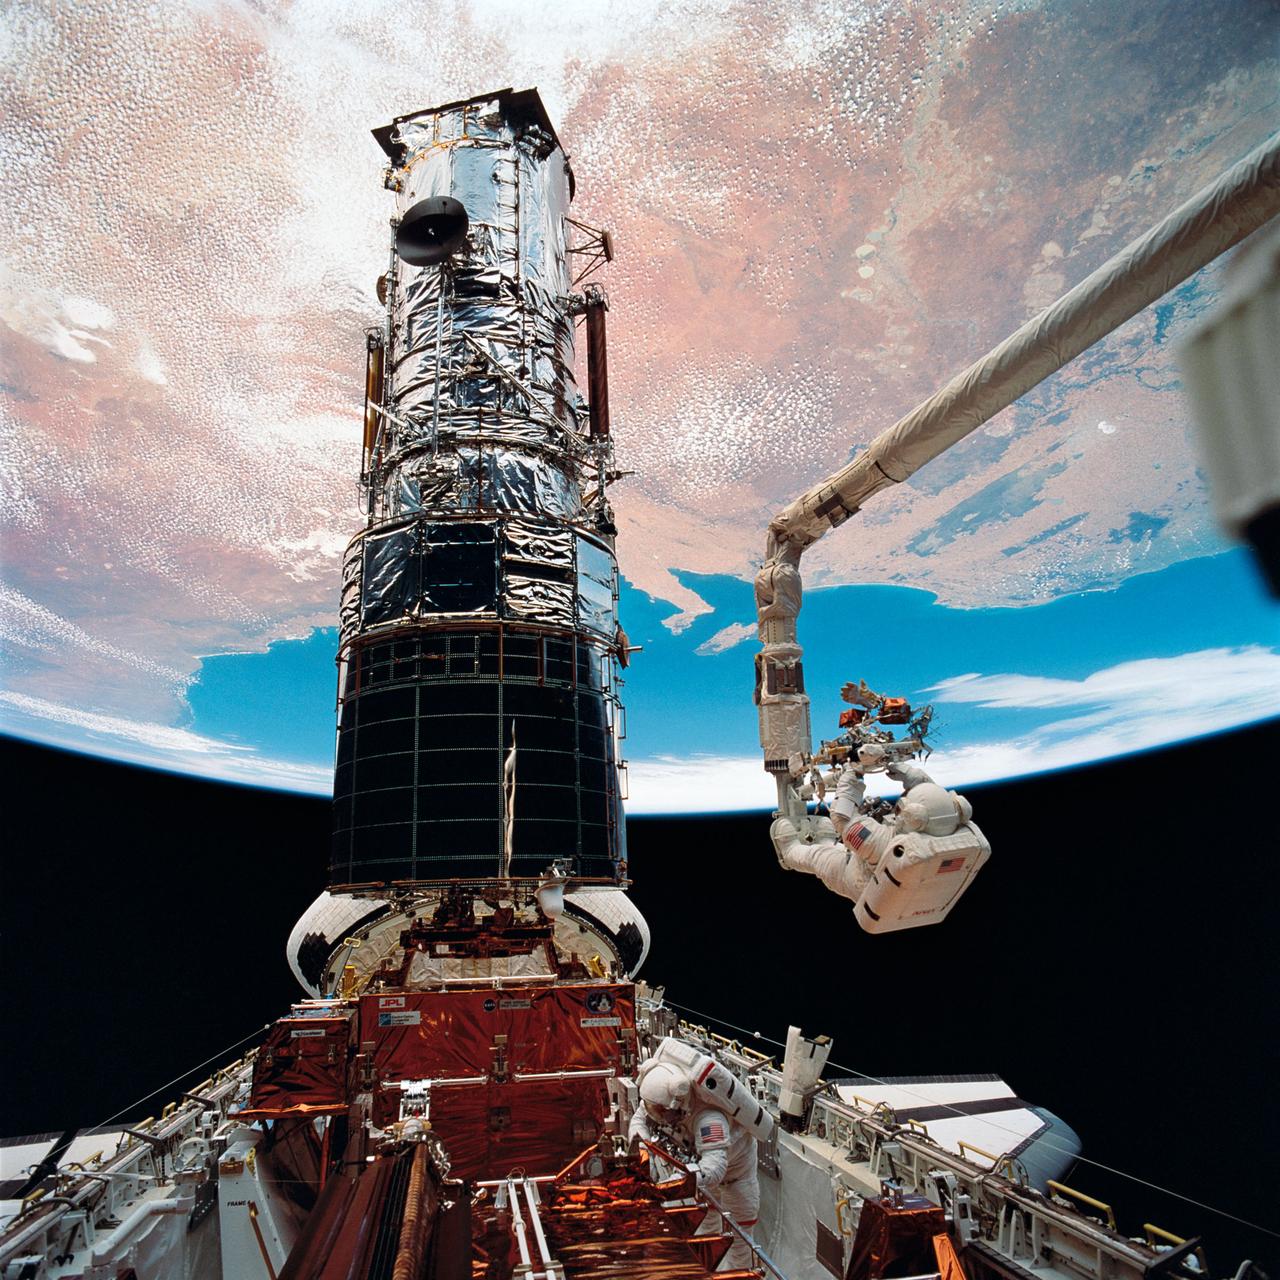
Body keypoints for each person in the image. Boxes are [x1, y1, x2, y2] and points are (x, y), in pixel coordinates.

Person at [771, 746, 977, 904]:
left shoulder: (883, 843)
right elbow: (931, 797)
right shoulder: (950, 822)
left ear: (913, 818)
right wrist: (911, 776)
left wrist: (852, 774)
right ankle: (825, 842)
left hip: (858, 881)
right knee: (838, 845)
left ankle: (790, 852)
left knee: (820, 858)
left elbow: (843, 819)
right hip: (910, 885)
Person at [628, 1053, 760, 1271]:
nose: (656, 1115)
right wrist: (643, 1149)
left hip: (735, 1181)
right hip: (701, 1176)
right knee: (707, 1231)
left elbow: (715, 1169)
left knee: (740, 1243)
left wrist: (678, 1182)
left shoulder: (709, 1118)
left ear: (678, 1104)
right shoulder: (660, 1101)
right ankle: (708, 1272)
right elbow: (640, 1118)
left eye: (660, 1111)